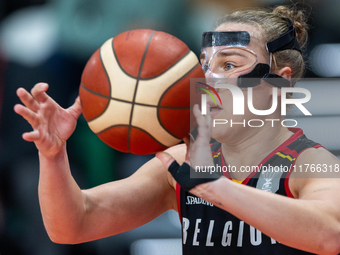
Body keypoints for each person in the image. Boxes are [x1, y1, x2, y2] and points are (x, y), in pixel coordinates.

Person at [14, 5, 340, 255]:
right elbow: (73, 225)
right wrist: (54, 155)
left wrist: (216, 188)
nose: (208, 79)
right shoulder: (181, 163)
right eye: (204, 64)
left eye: (228, 64)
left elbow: (330, 235)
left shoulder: (310, 165)